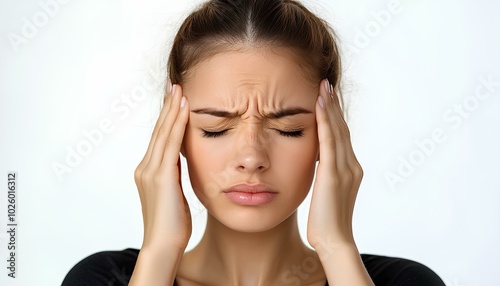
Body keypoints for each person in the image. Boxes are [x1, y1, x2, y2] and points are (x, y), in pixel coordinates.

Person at [62, 0, 446, 285]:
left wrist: (336, 247)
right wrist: (159, 253)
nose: (251, 158)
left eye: (288, 129)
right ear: (172, 132)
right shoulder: (107, 277)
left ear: (328, 136)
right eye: (215, 128)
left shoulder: (403, 281)